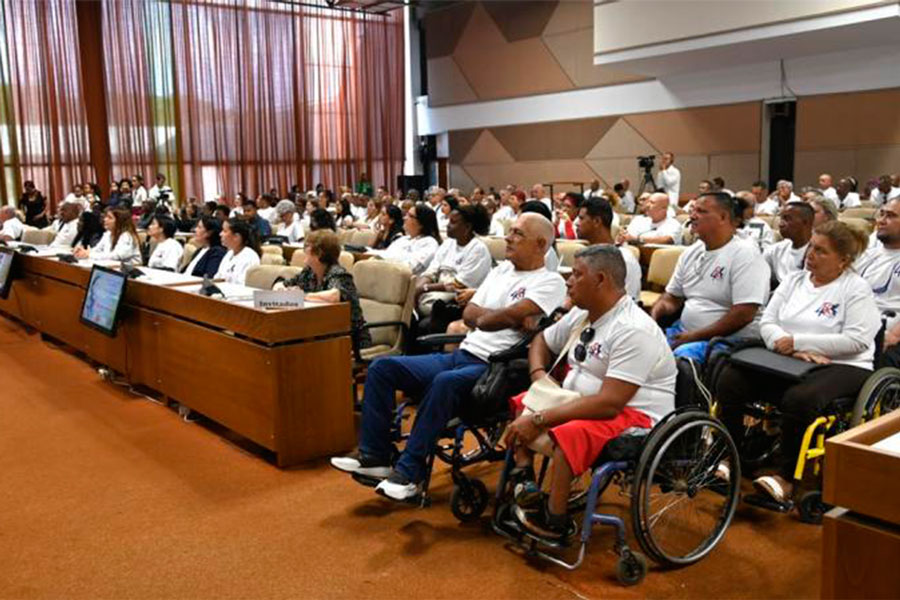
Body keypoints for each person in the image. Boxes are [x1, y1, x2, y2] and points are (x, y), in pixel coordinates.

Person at [330, 213, 567, 501]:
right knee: (382, 368)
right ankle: (375, 457)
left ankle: (410, 474)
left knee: (444, 382)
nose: (508, 237)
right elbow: (470, 314)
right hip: (464, 352)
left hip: (496, 367)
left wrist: (495, 316)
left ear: (541, 244)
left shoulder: (550, 282)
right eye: (510, 231)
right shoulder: (502, 271)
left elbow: (496, 317)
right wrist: (502, 317)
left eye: (517, 233)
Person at [506, 246, 676, 539]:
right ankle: (525, 477)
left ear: (600, 279)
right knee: (525, 400)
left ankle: (555, 519)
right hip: (587, 401)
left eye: (576, 274)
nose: (568, 281)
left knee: (571, 432)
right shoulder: (584, 314)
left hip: (636, 415)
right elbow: (540, 342)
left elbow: (610, 404)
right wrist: (539, 379)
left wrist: (540, 419)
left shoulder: (633, 329)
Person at [715, 221, 879, 506]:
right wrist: (786, 344)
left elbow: (858, 340)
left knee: (800, 398)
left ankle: (786, 478)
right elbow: (767, 320)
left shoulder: (856, 288)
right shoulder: (794, 280)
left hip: (845, 364)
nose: (810, 255)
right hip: (790, 359)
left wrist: (799, 342)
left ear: (843, 260)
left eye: (821, 251)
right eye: (811, 247)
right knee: (731, 379)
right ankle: (729, 456)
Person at [651, 192, 770, 362]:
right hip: (685, 332)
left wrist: (693, 336)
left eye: (701, 211)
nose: (692, 216)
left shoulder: (745, 254)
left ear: (723, 217)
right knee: (640, 347)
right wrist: (655, 315)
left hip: (728, 339)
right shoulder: (691, 252)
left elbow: (744, 314)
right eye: (693, 210)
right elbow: (672, 298)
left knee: (676, 359)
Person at [278, 230, 372, 352]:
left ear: (319, 254)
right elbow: (282, 284)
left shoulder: (339, 274)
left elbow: (335, 295)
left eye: (308, 247)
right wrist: (281, 289)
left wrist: (301, 296)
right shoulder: (309, 273)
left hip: (349, 339)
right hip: (321, 334)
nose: (304, 250)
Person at [415, 204, 493, 318]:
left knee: (428, 310)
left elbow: (459, 284)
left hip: (460, 298)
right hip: (437, 292)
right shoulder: (448, 243)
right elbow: (432, 270)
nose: (448, 226)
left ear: (467, 227)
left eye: (453, 222)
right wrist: (417, 289)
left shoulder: (478, 249)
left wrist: (424, 288)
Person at [856, 197, 900, 367]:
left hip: (890, 335)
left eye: (891, 216)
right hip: (858, 329)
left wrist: (894, 336)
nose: (881, 221)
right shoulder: (867, 256)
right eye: (881, 214)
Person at [576, 197, 641, 302]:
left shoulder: (624, 259)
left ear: (597, 221)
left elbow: (627, 301)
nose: (576, 223)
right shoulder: (586, 256)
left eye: (581, 218)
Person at [370, 204, 441, 276]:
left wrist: (382, 261)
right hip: (384, 272)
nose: (404, 218)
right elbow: (386, 254)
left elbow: (411, 268)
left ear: (421, 223)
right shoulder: (403, 239)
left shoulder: (429, 243)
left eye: (410, 216)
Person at [763, 202, 814, 287]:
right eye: (781, 218)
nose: (780, 224)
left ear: (806, 222)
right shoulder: (774, 250)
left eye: (787, 219)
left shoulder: (819, 253)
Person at [74, 208, 141, 264]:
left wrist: (89, 255)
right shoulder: (108, 234)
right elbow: (97, 249)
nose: (105, 219)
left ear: (119, 221)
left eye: (110, 218)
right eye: (106, 217)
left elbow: (117, 256)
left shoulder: (127, 236)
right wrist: (84, 252)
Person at [215, 217, 261, 285]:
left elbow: (243, 286)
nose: (220, 234)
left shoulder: (250, 257)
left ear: (236, 237)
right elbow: (217, 278)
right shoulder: (229, 253)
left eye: (224, 231)